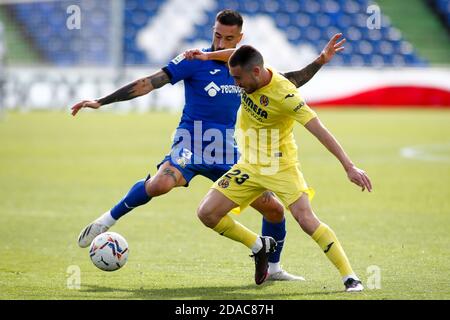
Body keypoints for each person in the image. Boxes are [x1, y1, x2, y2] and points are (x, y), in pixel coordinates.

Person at [71, 10, 345, 281]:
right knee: (160, 184)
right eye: (217, 35)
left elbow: (289, 81)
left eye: (228, 38)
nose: (221, 43)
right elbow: (149, 83)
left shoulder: (243, 66)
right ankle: (106, 220)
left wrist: (321, 60)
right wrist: (102, 101)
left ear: (240, 37)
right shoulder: (193, 60)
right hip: (191, 139)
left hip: (227, 148)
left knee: (273, 209)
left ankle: (273, 268)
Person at [189, 45, 372, 290]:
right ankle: (259, 245)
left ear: (255, 71)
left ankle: (350, 277)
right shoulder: (252, 73)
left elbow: (319, 129)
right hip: (249, 165)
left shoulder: (286, 95)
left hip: (280, 166)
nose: (236, 84)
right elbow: (236, 54)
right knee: (207, 213)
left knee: (306, 220)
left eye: (238, 79)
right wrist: (208, 56)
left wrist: (349, 166)